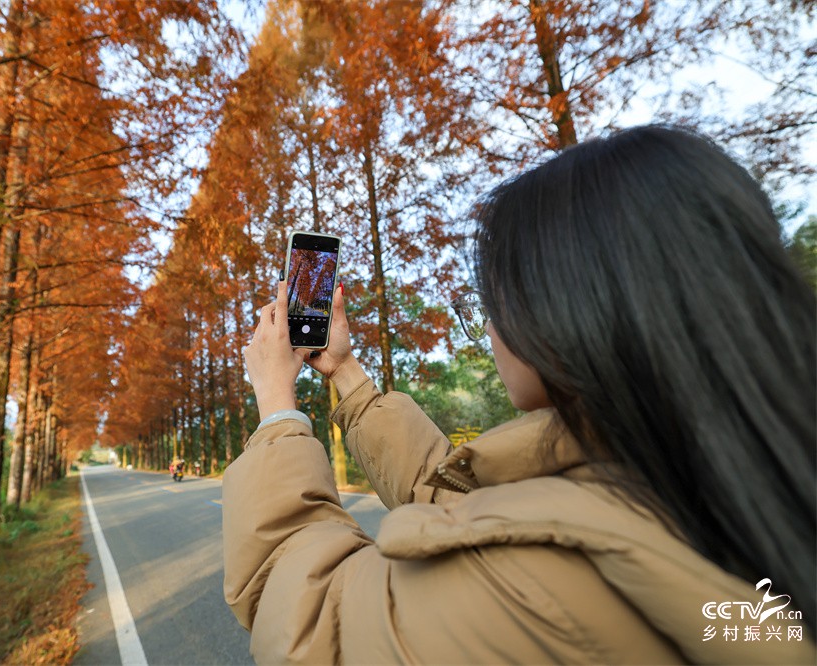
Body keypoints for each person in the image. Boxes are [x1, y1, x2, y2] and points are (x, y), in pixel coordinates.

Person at [221, 125, 815, 664]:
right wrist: (345, 373)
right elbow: (459, 501)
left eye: (499, 298)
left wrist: (277, 406)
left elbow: (309, 620)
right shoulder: (705, 467)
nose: (491, 325)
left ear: (571, 313)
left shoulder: (539, 577)